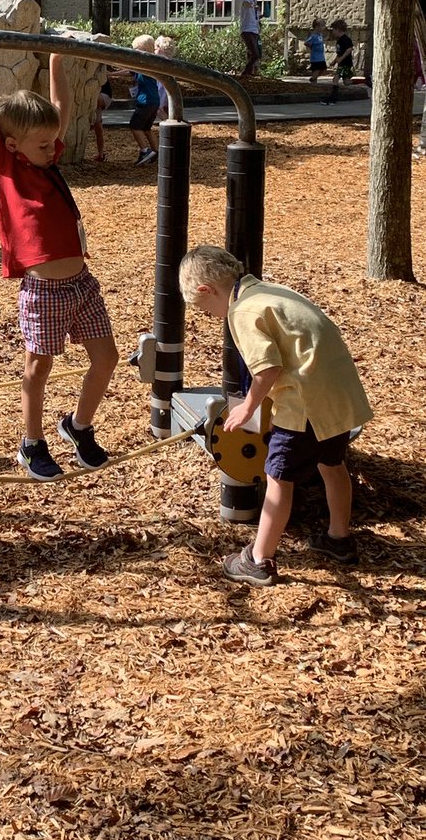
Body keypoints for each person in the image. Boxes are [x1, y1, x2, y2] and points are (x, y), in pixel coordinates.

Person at [0, 46, 119, 481]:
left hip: (82, 283)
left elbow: (60, 107)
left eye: (53, 142)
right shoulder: (6, 167)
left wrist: (56, 61)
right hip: (44, 290)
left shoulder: (47, 159)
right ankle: (32, 443)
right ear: (13, 145)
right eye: (44, 144)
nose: (54, 149)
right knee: (40, 366)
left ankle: (78, 426)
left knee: (106, 358)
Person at [179, 246, 373, 588]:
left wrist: (247, 407)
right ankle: (339, 538)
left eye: (205, 310)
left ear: (206, 290)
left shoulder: (242, 311)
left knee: (278, 478)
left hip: (305, 406)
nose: (211, 316)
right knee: (332, 464)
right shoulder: (270, 291)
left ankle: (259, 560)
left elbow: (268, 369)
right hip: (337, 397)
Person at [127, 34, 159, 165]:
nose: (134, 52)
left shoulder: (144, 64)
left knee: (134, 126)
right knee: (146, 128)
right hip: (154, 101)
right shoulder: (150, 64)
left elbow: (130, 69)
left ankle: (145, 150)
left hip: (145, 101)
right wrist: (111, 74)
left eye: (136, 50)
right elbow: (130, 72)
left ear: (144, 50)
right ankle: (156, 152)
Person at [320, 19, 355, 105]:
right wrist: (334, 61)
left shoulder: (345, 39)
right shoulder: (339, 40)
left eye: (333, 30)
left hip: (345, 63)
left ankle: (333, 98)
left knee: (335, 80)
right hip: (342, 63)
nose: (332, 32)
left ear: (338, 30)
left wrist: (341, 58)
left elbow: (349, 49)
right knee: (346, 82)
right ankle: (366, 81)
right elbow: (340, 53)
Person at [239, 0, 261, 77]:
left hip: (254, 30)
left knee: (251, 53)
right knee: (255, 54)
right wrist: (253, 6)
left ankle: (250, 73)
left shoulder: (254, 1)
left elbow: (256, 17)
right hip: (246, 29)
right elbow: (246, 5)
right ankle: (245, 72)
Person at [92, 66, 113, 161]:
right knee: (98, 127)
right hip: (102, 99)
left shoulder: (98, 70)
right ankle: (100, 154)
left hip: (102, 96)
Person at [154, 34, 177, 120]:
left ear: (160, 49)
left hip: (162, 86)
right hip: (165, 86)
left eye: (155, 49)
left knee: (158, 107)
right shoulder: (170, 61)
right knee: (163, 108)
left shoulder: (161, 61)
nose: (154, 51)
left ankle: (168, 122)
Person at [304, 17, 328, 83]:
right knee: (316, 70)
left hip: (321, 57)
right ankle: (313, 80)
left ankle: (314, 78)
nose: (324, 27)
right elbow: (306, 43)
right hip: (315, 58)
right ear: (317, 27)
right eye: (322, 26)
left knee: (323, 70)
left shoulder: (320, 35)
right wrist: (310, 47)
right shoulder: (313, 36)